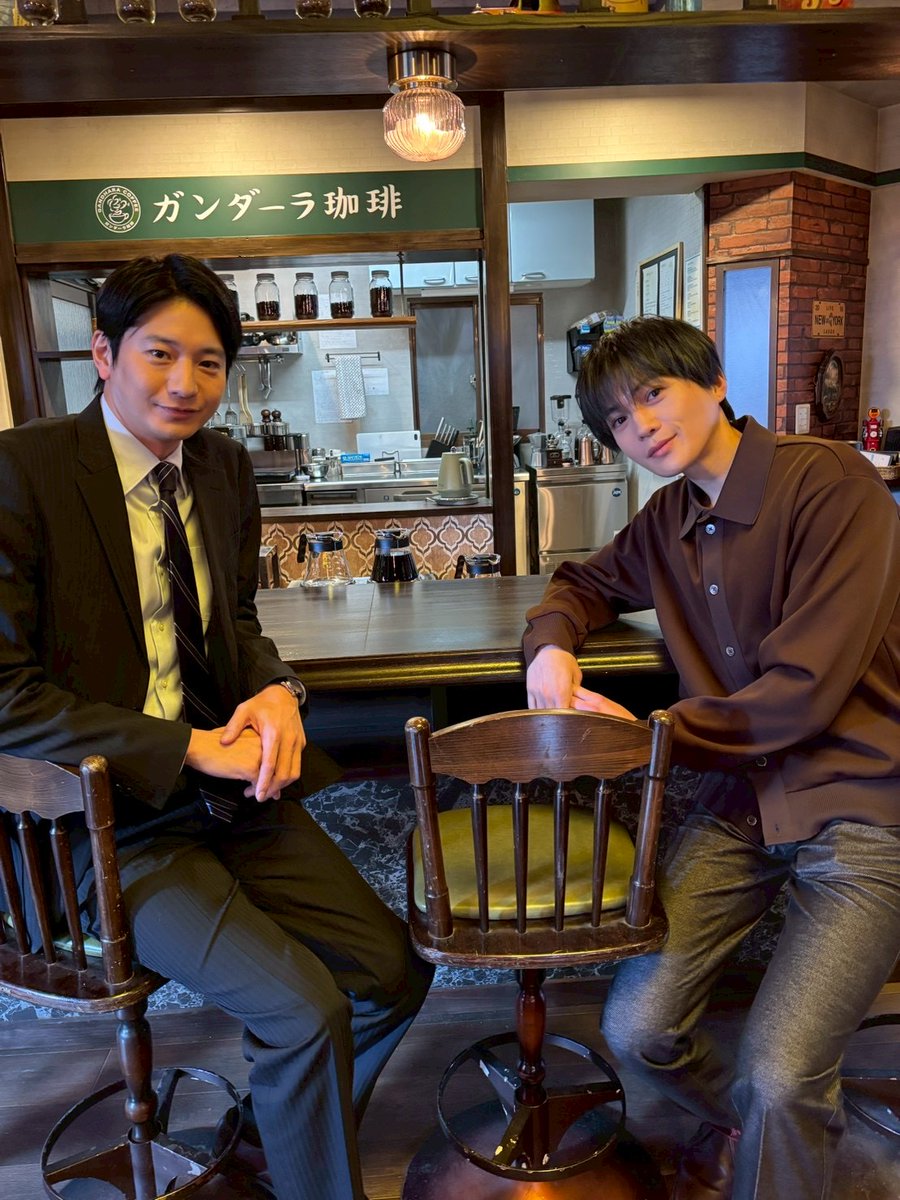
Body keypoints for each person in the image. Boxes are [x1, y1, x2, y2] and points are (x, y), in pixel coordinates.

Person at [0, 253, 432, 1200]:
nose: (184, 383)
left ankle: (277, 1141)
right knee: (304, 1011)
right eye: (159, 354)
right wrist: (188, 748)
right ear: (104, 353)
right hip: (105, 827)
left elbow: (236, 621)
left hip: (233, 803)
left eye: (208, 362)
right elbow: (5, 694)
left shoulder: (225, 468)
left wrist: (277, 690)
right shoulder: (23, 471)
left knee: (392, 973)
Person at [523, 316, 900, 1200]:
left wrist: (649, 737)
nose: (642, 426)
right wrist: (550, 646)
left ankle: (781, 1129)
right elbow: (580, 583)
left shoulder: (831, 481)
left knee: (782, 1074)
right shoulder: (668, 520)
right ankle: (765, 1131)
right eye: (619, 419)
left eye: (653, 394)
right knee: (637, 1029)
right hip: (742, 806)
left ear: (716, 382)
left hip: (863, 802)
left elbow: (804, 689)